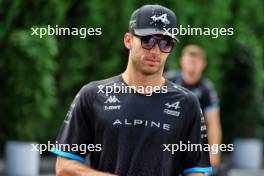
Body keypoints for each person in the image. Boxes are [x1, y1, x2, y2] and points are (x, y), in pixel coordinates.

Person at [51, 5, 212, 176]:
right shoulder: (92, 95)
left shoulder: (187, 102)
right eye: (148, 40)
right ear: (128, 40)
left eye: (165, 43)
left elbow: (195, 171)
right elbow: (64, 167)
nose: (156, 51)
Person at [165, 44, 222, 171]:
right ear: (182, 61)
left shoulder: (207, 89)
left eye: (196, 61)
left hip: (194, 143)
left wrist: (214, 151)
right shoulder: (168, 80)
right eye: (189, 60)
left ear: (203, 64)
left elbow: (213, 125)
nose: (193, 64)